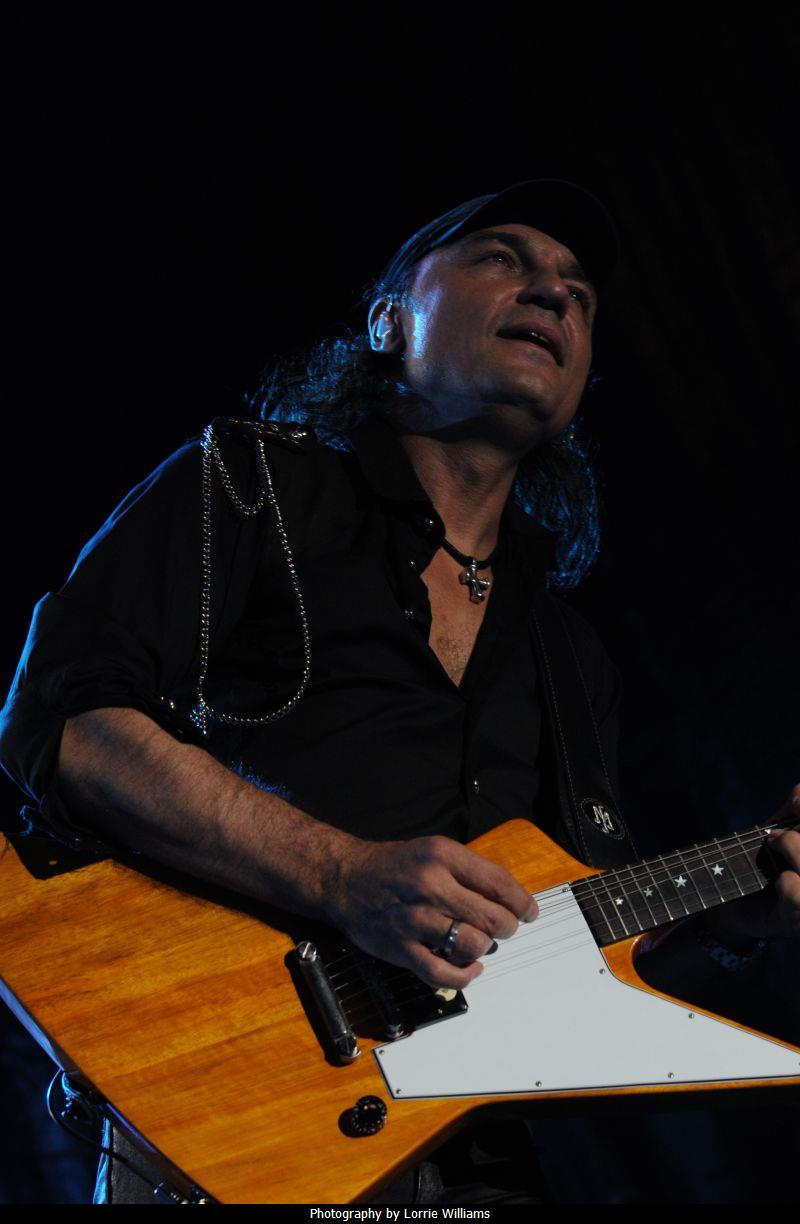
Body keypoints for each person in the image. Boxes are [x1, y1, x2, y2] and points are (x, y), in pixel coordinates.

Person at [2, 179, 799, 1205]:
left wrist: (732, 914)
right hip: (231, 1121)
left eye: (579, 293)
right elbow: (63, 723)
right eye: (502, 258)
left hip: (472, 1165)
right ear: (387, 322)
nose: (552, 294)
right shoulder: (248, 483)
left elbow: (568, 946)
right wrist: (341, 874)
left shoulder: (569, 653)